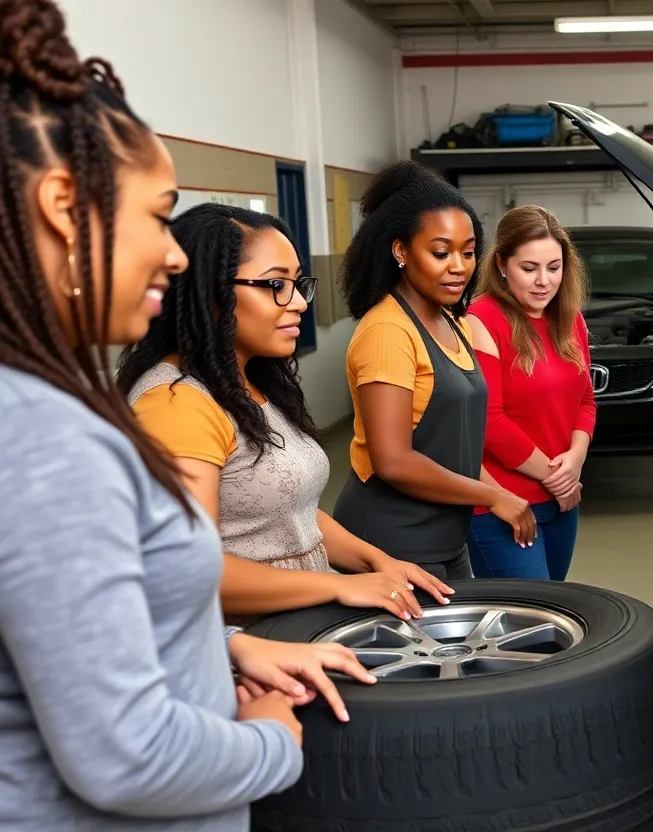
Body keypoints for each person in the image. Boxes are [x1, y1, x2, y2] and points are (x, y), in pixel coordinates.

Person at [0, 3, 373, 828]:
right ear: (65, 204)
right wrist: (272, 741)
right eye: (157, 215)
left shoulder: (42, 406)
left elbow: (79, 632)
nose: (173, 252)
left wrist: (231, 647)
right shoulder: (47, 439)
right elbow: (128, 755)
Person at [116, 203, 455, 626]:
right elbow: (190, 569)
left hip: (298, 623)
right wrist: (340, 586)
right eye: (276, 285)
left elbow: (288, 513)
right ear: (210, 292)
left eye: (297, 284)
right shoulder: (175, 403)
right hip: (249, 648)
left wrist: (377, 561)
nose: (297, 302)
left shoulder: (248, 382)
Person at [333, 161, 536, 581]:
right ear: (401, 251)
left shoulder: (453, 321)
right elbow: (393, 460)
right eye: (441, 252)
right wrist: (491, 497)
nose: (459, 266)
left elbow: (452, 448)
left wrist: (500, 492)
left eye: (467, 252)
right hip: (391, 538)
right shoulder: (388, 331)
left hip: (445, 537)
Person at [465, 205, 596, 579]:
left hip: (562, 500)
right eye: (529, 269)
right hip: (502, 505)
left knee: (554, 617)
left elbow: (585, 400)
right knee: (526, 631)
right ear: (502, 265)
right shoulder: (481, 319)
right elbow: (489, 421)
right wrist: (557, 476)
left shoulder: (570, 319)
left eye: (553, 268)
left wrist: (575, 459)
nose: (544, 281)